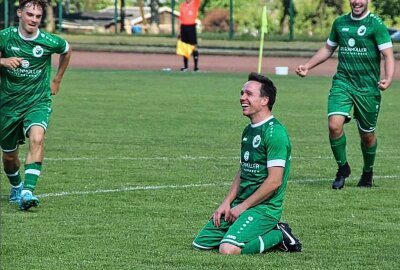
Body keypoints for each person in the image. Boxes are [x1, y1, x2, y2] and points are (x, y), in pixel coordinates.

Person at [192, 73, 301, 255]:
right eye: (242, 93)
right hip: (242, 204)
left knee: (227, 249)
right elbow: (243, 170)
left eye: (249, 93)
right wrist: (226, 202)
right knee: (200, 245)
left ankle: (278, 235)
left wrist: (243, 207)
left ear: (265, 100)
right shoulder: (248, 130)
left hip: (265, 208)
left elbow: (275, 182)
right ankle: (243, 230)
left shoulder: (275, 133)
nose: (242, 97)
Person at [295, 0, 395, 189]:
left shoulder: (376, 24)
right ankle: (342, 168)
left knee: (367, 135)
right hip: (343, 83)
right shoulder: (340, 23)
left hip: (367, 88)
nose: (357, 2)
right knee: (334, 125)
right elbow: (328, 48)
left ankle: (368, 172)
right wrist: (307, 65)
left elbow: (388, 55)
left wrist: (388, 78)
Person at [0, 0, 72, 210]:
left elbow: (67, 50)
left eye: (38, 16)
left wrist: (57, 80)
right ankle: (16, 186)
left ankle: (27, 192)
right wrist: (3, 62)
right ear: (20, 13)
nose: (33, 20)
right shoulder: (5, 37)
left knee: (37, 137)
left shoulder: (49, 41)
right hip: (8, 104)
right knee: (9, 156)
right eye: (30, 14)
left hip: (37, 101)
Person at [178, 0, 200, 71]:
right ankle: (185, 66)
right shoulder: (182, 5)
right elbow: (180, 19)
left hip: (191, 27)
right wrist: (179, 32)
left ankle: (196, 67)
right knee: (185, 48)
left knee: (194, 47)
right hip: (183, 27)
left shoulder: (195, 3)